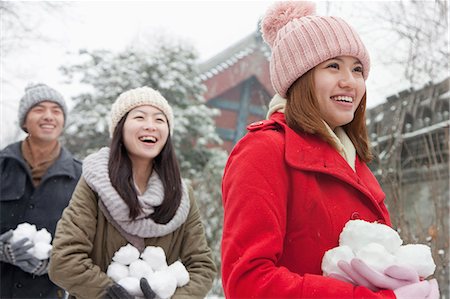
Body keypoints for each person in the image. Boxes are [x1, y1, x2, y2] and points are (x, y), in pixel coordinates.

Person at [221, 2, 439, 299]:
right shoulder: (264, 151)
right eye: (333, 66)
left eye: (357, 69)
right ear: (299, 78)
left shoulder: (355, 162)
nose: (350, 81)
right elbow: (248, 282)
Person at [48, 86, 216, 299]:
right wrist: (110, 293)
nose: (150, 126)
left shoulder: (182, 195)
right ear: (120, 128)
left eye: (159, 120)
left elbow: (202, 267)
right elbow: (64, 259)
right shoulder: (94, 183)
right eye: (139, 117)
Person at [0, 83, 82, 298]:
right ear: (25, 121)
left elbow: (86, 242)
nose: (48, 116)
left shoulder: (80, 177)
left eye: (56, 111)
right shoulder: (2, 166)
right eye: (38, 109)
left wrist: (54, 264)